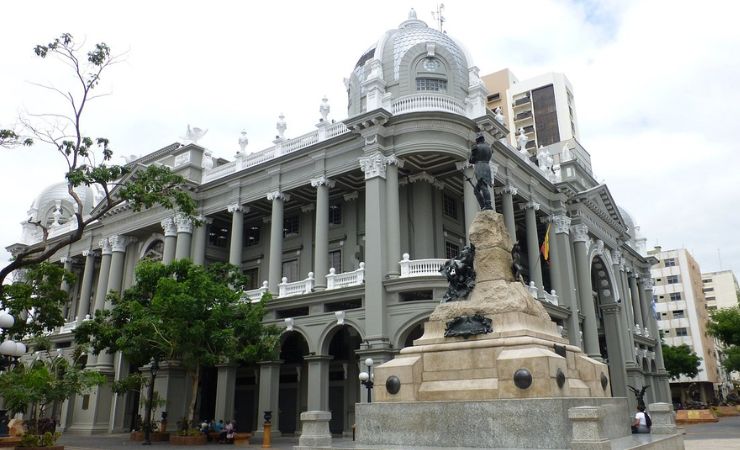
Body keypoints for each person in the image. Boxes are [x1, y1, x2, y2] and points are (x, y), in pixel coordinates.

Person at [468, 133, 493, 210]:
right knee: (477, 190)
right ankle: (483, 205)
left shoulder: (475, 147)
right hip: (487, 167)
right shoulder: (489, 148)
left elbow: (471, 160)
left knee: (483, 186)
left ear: (477, 139)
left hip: (479, 166)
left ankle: (488, 204)